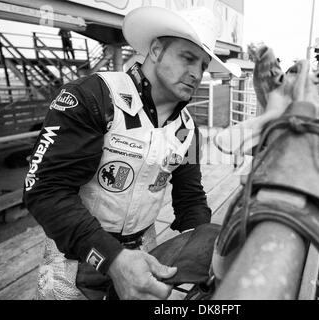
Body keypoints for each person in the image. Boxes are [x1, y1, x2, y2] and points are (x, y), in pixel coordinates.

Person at [24, 6, 241, 300]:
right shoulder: (92, 96)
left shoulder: (188, 130)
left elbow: (190, 197)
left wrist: (210, 249)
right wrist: (113, 258)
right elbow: (45, 191)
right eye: (187, 58)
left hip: (144, 252)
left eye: (203, 65)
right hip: (73, 256)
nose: (196, 73)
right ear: (155, 50)